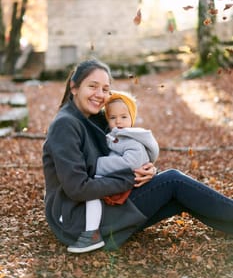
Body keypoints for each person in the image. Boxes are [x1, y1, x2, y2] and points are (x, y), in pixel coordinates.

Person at [42, 58, 233, 254]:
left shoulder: (96, 118)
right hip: (78, 220)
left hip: (102, 202)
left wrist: (147, 170)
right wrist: (132, 178)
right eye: (93, 86)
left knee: (176, 196)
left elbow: (125, 152)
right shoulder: (65, 125)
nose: (100, 95)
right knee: (173, 181)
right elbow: (77, 188)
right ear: (74, 87)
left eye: (105, 89)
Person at [67, 91, 160, 253]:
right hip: (118, 178)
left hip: (127, 182)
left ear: (132, 118)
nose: (118, 121)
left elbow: (132, 162)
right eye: (113, 117)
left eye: (124, 117)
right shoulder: (115, 136)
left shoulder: (131, 138)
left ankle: (92, 234)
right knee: (91, 193)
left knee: (92, 193)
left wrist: (97, 165)